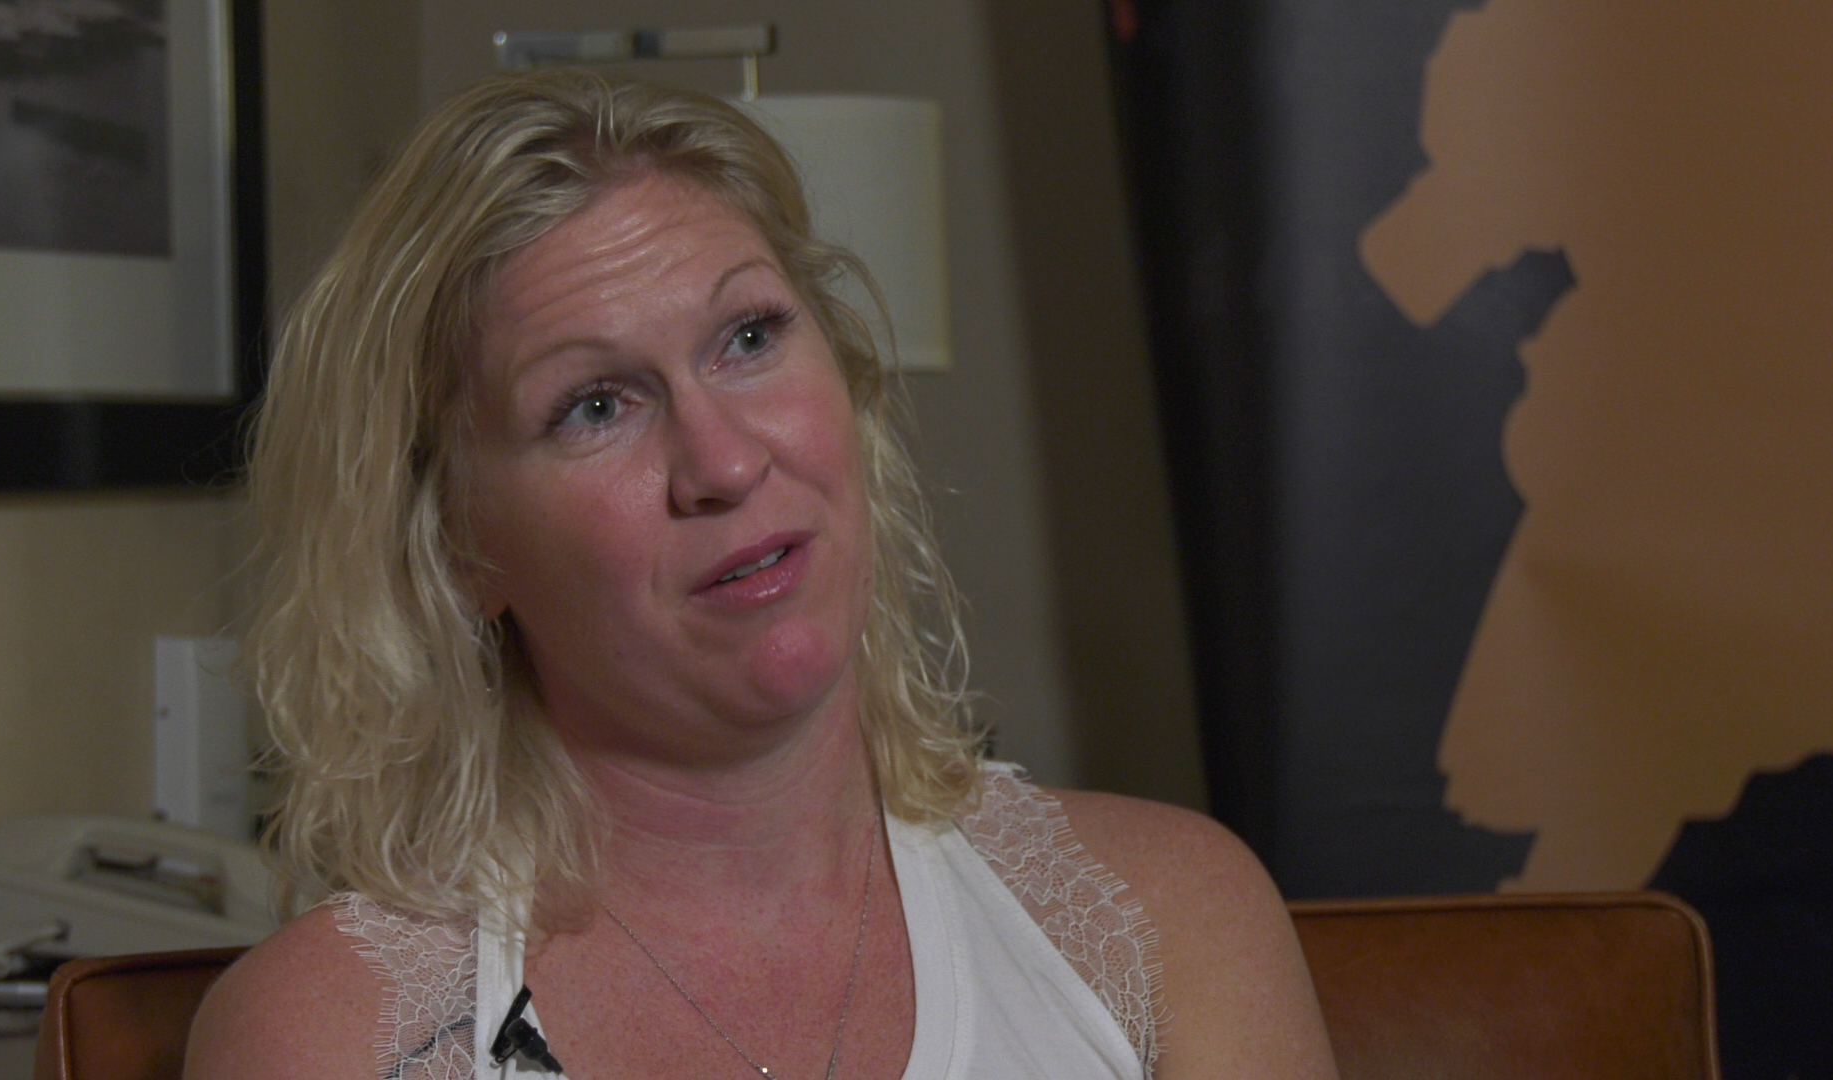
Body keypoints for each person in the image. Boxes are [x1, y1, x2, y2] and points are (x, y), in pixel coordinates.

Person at [185, 70, 1335, 1080]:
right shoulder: (332, 1036)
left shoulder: (1172, 920)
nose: (726, 462)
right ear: (457, 549)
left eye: (748, 338)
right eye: (595, 406)